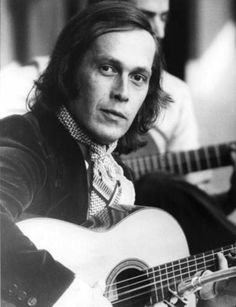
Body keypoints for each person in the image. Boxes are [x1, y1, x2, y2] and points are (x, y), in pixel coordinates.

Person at [1, 2, 235, 307]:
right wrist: (71, 295)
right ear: (69, 70)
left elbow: (106, 281)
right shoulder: (28, 138)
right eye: (107, 68)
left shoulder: (116, 175)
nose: (122, 91)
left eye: (138, 77)